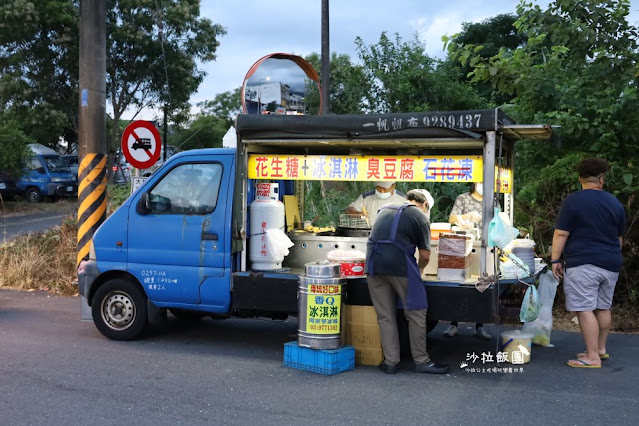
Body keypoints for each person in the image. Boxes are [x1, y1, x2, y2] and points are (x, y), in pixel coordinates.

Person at [552, 158, 625, 368]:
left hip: (583, 262)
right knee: (603, 306)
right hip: (611, 262)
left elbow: (561, 233)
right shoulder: (615, 203)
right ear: (601, 180)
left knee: (584, 308)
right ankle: (600, 350)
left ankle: (591, 357)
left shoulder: (573, 201)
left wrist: (555, 259)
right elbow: (619, 239)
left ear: (580, 180)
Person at [366, 189, 449, 374]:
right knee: (416, 312)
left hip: (373, 266)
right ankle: (421, 360)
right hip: (400, 267)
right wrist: (420, 270)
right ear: (425, 205)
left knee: (385, 316)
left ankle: (390, 363)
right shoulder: (420, 217)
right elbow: (426, 255)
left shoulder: (384, 209)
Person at [444, 182, 491, 340]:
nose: (482, 185)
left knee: (481, 284)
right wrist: (467, 217)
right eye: (479, 182)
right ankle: (453, 324)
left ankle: (480, 325)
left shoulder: (491, 200)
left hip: (483, 245)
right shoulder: (463, 198)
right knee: (458, 283)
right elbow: (451, 218)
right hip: (462, 245)